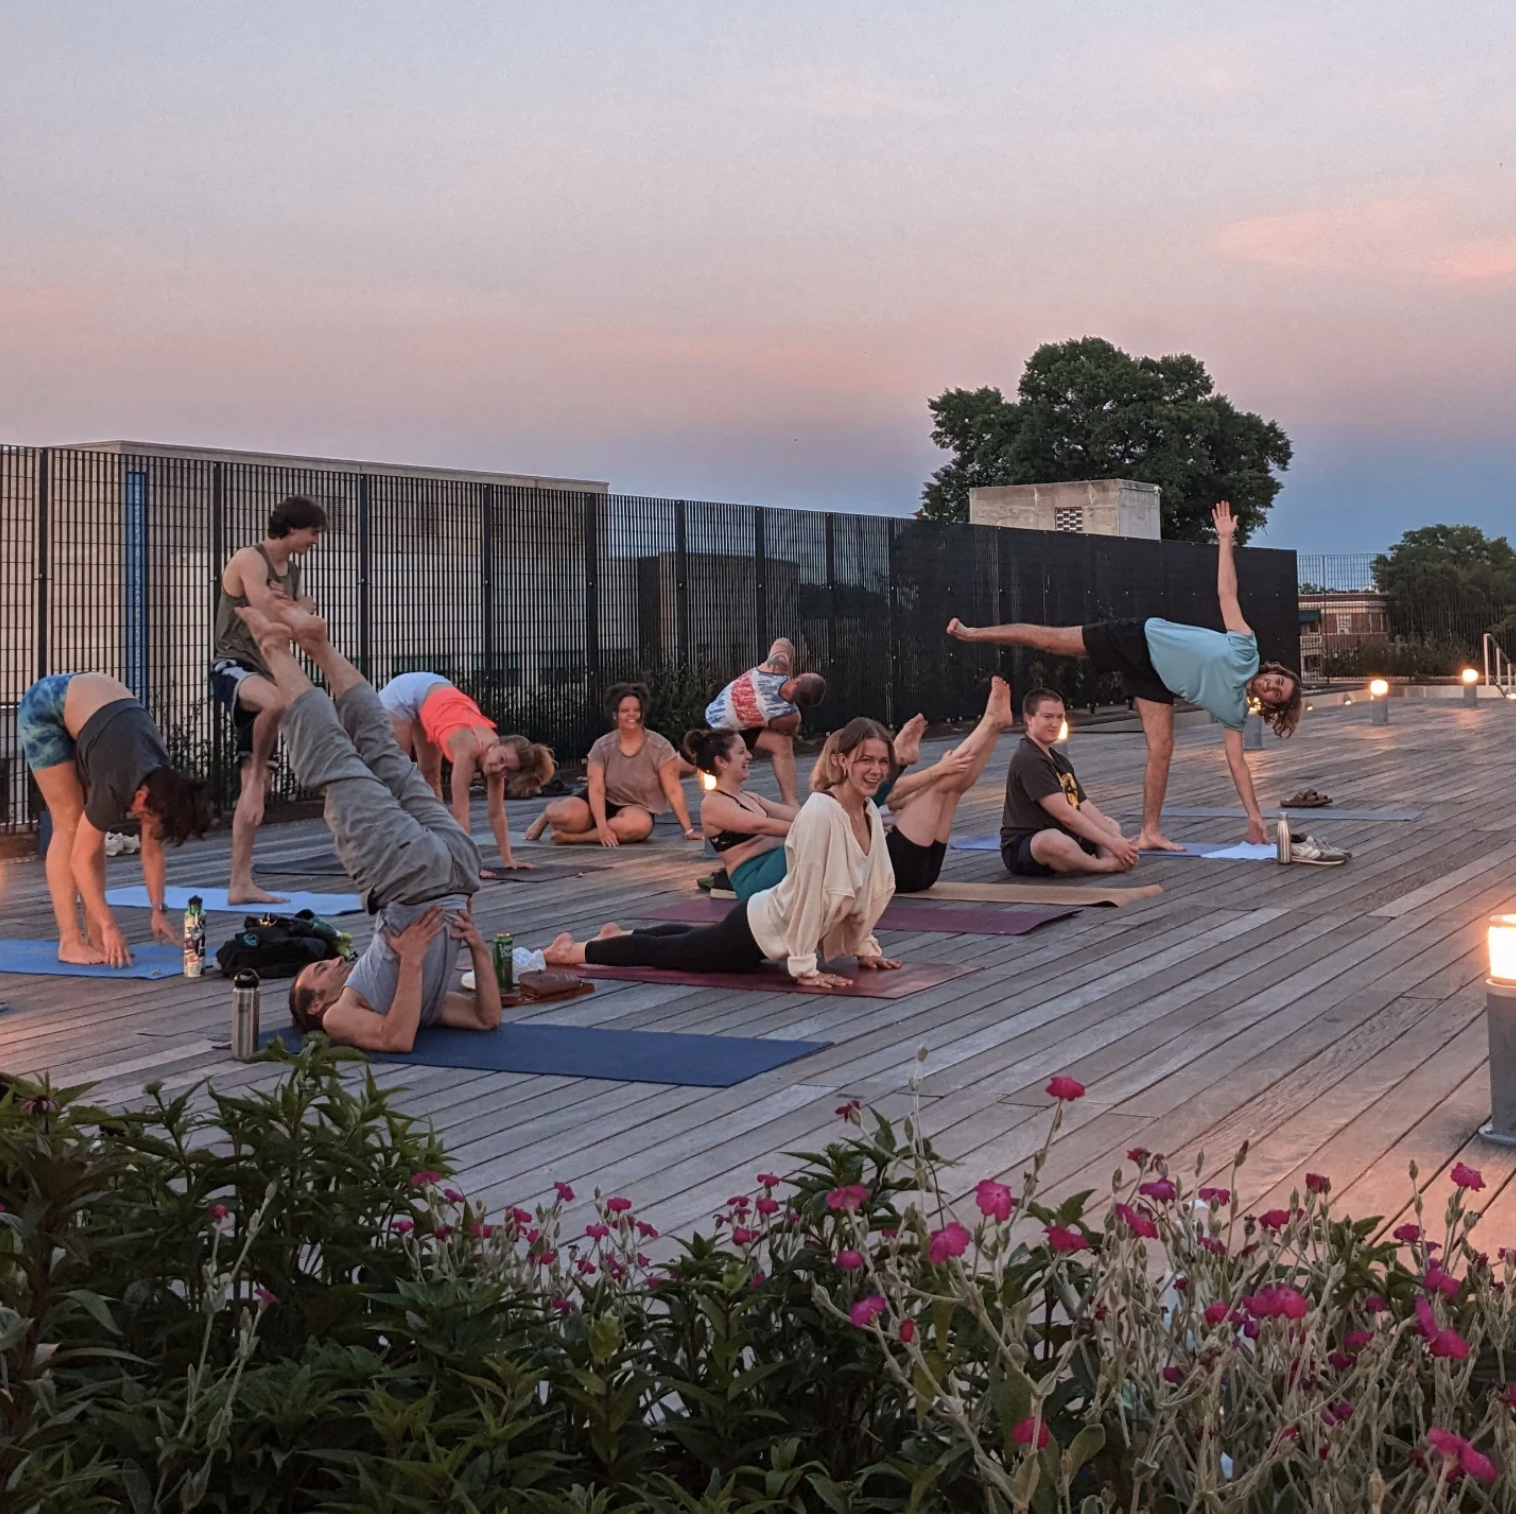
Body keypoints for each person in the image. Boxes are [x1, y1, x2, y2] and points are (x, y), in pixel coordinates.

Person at [946, 502, 1302, 851]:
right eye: (1277, 682)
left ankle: (1150, 832)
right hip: (1139, 638)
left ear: (1270, 706)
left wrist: (1254, 816)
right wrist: (1225, 539)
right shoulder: (1246, 650)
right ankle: (974, 632)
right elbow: (1227, 593)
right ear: (1272, 671)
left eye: (1276, 695)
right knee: (1052, 640)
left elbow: (1237, 763)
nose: (1272, 687)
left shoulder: (1234, 712)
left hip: (1156, 681)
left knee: (1162, 748)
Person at [231, 601, 502, 1054]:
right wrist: (468, 949)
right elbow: (413, 1036)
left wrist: (427, 958)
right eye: (319, 974)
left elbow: (475, 1018)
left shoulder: (407, 1001)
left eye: (315, 967)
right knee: (338, 765)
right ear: (317, 1006)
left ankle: (317, 645)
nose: (330, 963)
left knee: (384, 755)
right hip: (416, 875)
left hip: (449, 872)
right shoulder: (339, 1016)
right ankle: (276, 648)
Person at [543, 717, 899, 991]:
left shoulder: (866, 811)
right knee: (670, 954)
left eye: (883, 762)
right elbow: (808, 892)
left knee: (694, 942)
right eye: (866, 759)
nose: (876, 770)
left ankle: (620, 935)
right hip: (759, 927)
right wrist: (805, 967)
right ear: (841, 760)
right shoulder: (822, 811)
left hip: (762, 922)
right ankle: (571, 952)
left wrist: (865, 947)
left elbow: (870, 886)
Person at [19, 672, 210, 965]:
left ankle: (96, 938)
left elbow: (152, 848)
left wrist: (157, 909)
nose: (137, 818)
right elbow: (79, 860)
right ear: (141, 795)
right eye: (142, 814)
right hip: (47, 706)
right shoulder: (116, 782)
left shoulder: (162, 780)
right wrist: (111, 925)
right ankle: (69, 941)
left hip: (98, 716)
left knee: (92, 832)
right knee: (70, 822)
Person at [210, 495, 328, 904]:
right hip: (233, 666)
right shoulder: (250, 558)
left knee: (251, 796)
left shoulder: (290, 572)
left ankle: (239, 882)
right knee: (277, 702)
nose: (316, 540)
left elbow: (300, 622)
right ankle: (257, 776)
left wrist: (295, 608)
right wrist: (296, 609)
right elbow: (269, 615)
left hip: (264, 671)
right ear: (293, 527)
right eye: (313, 531)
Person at [377, 671, 554, 875]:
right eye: (501, 761)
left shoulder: (497, 759)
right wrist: (469, 866)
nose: (498, 769)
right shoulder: (467, 747)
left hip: (432, 698)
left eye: (507, 770)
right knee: (398, 772)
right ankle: (388, 843)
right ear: (496, 744)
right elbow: (461, 814)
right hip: (405, 692)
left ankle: (435, 846)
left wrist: (508, 859)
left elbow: (496, 813)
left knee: (431, 775)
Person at [525, 683, 701, 846]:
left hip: (637, 806)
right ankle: (546, 815)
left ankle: (573, 838)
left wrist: (689, 830)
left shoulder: (659, 746)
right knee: (563, 816)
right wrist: (602, 826)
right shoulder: (602, 746)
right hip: (601, 800)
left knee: (639, 827)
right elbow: (596, 789)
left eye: (636, 710)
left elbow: (673, 790)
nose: (631, 715)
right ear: (615, 715)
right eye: (625, 710)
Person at [1000, 688, 1139, 877]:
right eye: (1048, 717)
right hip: (1028, 845)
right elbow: (1065, 815)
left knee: (1110, 824)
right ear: (1029, 718)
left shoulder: (1058, 759)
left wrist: (1117, 840)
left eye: (1060, 717)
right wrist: (1113, 843)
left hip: (1065, 832)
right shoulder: (1029, 759)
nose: (1055, 723)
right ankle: (1102, 865)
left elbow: (1083, 805)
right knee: (1054, 842)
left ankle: (1116, 858)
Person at [703, 638, 826, 807]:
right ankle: (789, 800)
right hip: (728, 724)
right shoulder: (790, 715)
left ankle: (789, 801)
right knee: (783, 740)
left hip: (718, 718)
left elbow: (784, 642)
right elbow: (786, 729)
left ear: (797, 680)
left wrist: (786, 670)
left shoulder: (776, 667)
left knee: (781, 743)